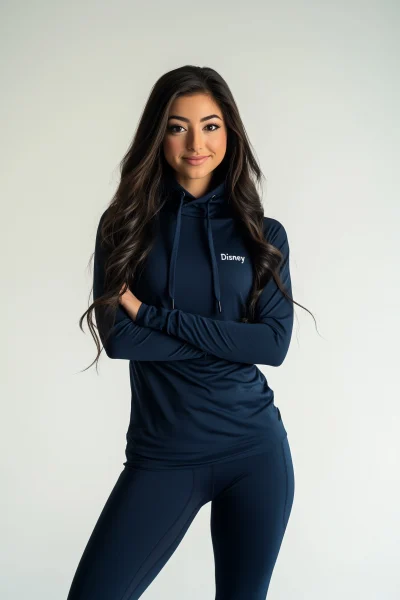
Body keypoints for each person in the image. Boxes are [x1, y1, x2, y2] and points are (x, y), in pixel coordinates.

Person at [69, 65, 313, 600]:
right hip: (163, 457)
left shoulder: (262, 236)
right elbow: (121, 341)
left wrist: (155, 316)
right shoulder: (124, 228)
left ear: (230, 133)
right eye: (178, 127)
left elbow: (273, 346)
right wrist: (229, 339)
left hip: (255, 452)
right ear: (159, 135)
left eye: (211, 125)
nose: (196, 143)